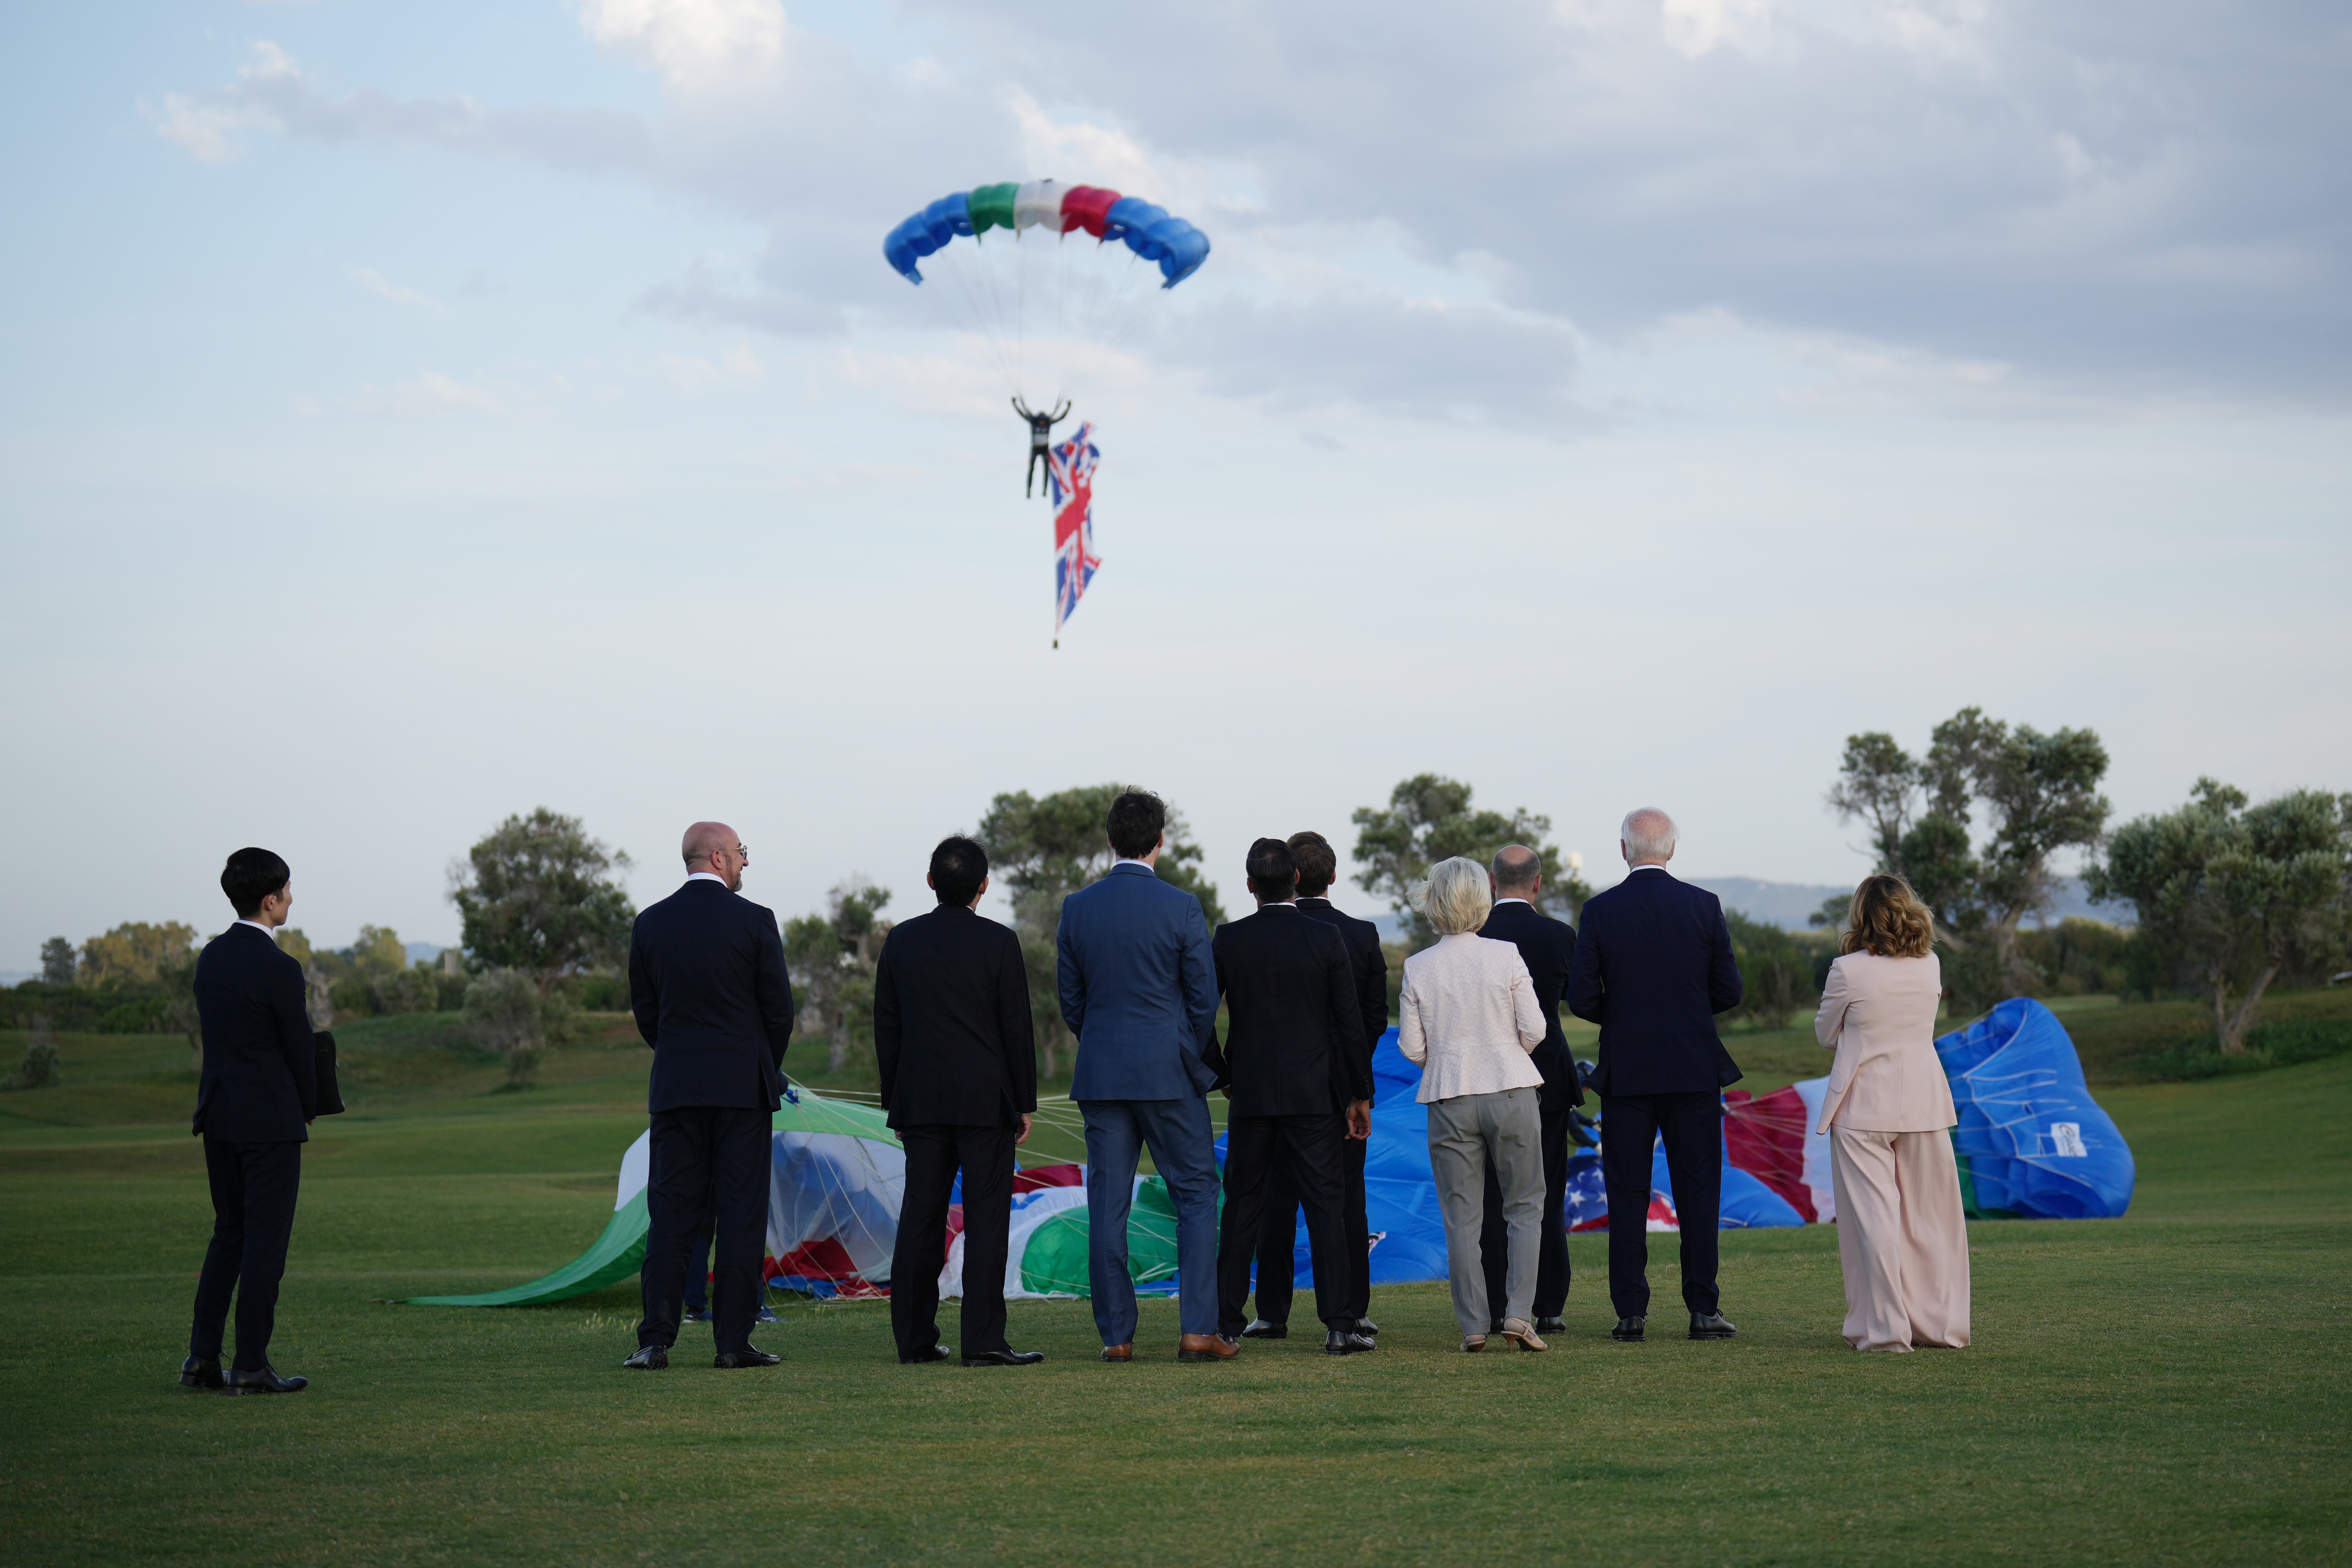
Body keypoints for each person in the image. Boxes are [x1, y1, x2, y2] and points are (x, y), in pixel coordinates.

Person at [1055, 789, 1225, 1363]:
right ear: (1159, 841)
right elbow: (1203, 999)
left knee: (1107, 1203)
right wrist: (1177, 1045)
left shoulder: (1078, 908)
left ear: (1110, 839)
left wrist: (1103, 1042)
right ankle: (1199, 1328)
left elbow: (1071, 1000)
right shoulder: (1181, 906)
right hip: (1168, 1074)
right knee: (1197, 1193)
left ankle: (1116, 1336)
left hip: (1102, 1073)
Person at [1567, 807, 1744, 1344]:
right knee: (1698, 1191)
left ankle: (1631, 1313)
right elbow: (1729, 991)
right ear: (1670, 850)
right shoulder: (1703, 906)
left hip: (1627, 1071)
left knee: (1626, 1192)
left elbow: (1580, 997)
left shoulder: (1600, 911)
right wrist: (1687, 1012)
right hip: (1692, 1068)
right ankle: (1703, 1310)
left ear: (1624, 850)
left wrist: (1624, 1015)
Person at [623, 822, 796, 1371]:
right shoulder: (755, 921)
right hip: (742, 1091)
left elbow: (648, 1013)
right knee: (741, 1215)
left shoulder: (650, 924)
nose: (745, 863)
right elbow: (779, 1012)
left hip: (676, 1089)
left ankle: (655, 1341)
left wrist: (678, 1055)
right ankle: (732, 1343)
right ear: (719, 857)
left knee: (671, 1214)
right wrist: (758, 1064)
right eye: (742, 853)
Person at [875, 835, 1045, 1368]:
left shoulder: (901, 942)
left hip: (921, 1100)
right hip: (983, 1102)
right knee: (988, 1220)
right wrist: (1024, 1101)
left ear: (931, 882)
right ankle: (985, 1341)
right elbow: (1015, 1027)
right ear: (983, 886)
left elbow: (888, 1028)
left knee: (920, 1219)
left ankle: (915, 1339)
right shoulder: (999, 942)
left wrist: (895, 1102)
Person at [1210, 839, 1377, 1356]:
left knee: (1242, 1206)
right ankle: (1337, 1324)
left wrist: (1222, 1072)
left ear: (1250, 884)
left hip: (1253, 1093)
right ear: (1297, 882)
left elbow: (1199, 1015)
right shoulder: (1325, 938)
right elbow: (1350, 1026)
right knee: (1328, 1205)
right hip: (1313, 1093)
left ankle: (1226, 1322)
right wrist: (1358, 1095)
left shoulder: (1229, 939)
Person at [1397, 856, 1550, 1353]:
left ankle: (1473, 1326)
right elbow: (1536, 1030)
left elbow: (1412, 1048)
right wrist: (1503, 1055)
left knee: (1462, 1217)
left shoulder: (1418, 966)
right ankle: (1520, 1315)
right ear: (1482, 899)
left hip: (1447, 1094)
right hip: (1510, 1088)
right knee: (1524, 1205)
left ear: (1434, 902)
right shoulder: (1506, 955)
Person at [1815, 875, 1971, 1353]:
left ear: (1861, 914)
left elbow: (1825, 1034)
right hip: (1923, 1103)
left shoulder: (1846, 970)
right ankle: (1939, 1326)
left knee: (1874, 1221)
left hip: (1862, 1106)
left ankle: (1885, 1331)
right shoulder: (1931, 965)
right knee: (1932, 1220)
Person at [184, 847, 317, 1395]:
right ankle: (251, 1364)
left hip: (219, 1114)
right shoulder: (280, 968)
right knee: (265, 1244)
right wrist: (306, 1108)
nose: (290, 898)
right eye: (286, 890)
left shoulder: (210, 959)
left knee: (229, 1235)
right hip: (270, 1122)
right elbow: (299, 1050)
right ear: (270, 900)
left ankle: (201, 1359)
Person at [1476, 845, 1582, 1337]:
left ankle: (1498, 1302)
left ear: (1493, 883)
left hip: (1488, 1075)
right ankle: (1548, 1303)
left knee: (1494, 1193)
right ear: (1537, 884)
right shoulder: (1561, 935)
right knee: (1546, 1190)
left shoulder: (1475, 935)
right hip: (1549, 1076)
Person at [1012, 394, 1072, 496]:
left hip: (1044, 449)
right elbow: (1022, 413)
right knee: (1031, 469)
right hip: (1035, 448)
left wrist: (1068, 407)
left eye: (1044, 422)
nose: (1042, 423)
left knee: (1046, 469)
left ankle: (1045, 490)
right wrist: (1015, 404)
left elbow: (1061, 418)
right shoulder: (1034, 422)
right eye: (1041, 421)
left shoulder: (1049, 423)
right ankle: (1029, 490)